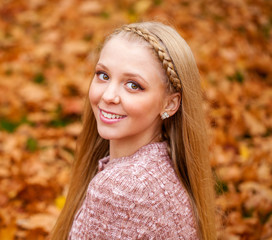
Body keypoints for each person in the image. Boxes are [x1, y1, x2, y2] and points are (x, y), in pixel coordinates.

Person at [51, 21, 216, 240]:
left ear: (170, 104)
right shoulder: (164, 166)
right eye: (103, 75)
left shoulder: (125, 189)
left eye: (133, 85)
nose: (108, 95)